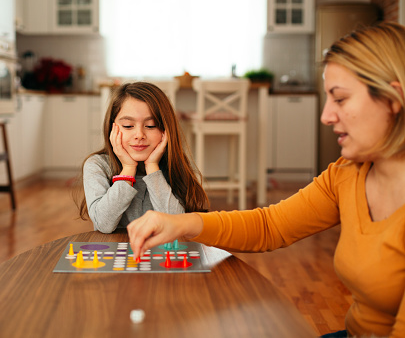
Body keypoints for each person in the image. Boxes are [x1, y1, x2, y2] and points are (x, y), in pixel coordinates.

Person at [128, 21, 405, 338]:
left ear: (392, 99)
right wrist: (182, 223)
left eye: (340, 99)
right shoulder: (347, 173)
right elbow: (271, 226)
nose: (326, 115)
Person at [76, 81, 209, 233]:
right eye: (128, 126)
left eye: (151, 125)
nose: (139, 135)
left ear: (166, 130)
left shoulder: (176, 165)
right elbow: (103, 224)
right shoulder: (97, 165)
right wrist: (128, 169)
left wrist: (152, 167)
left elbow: (177, 224)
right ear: (112, 128)